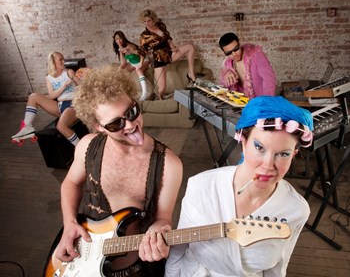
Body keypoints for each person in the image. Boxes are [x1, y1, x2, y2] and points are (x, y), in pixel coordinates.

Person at [54, 65, 183, 277]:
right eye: (116, 124)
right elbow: (71, 183)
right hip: (82, 258)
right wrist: (69, 223)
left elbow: (163, 219)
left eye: (132, 112)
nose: (131, 125)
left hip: (133, 268)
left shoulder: (170, 164)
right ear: (99, 126)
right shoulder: (87, 146)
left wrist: (158, 232)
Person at [165, 96, 313, 277]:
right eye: (259, 147)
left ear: (294, 154)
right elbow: (178, 251)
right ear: (243, 142)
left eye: (283, 154)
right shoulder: (200, 187)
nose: (268, 165)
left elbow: (278, 268)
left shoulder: (296, 210)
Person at [11, 51, 80, 146]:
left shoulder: (69, 72)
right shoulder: (49, 78)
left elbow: (83, 86)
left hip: (73, 104)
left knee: (61, 126)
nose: (63, 61)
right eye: (60, 60)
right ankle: (27, 127)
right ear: (53, 63)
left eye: (63, 59)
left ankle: (82, 149)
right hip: (61, 105)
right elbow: (52, 96)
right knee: (33, 96)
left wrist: (78, 82)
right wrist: (64, 86)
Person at [139, 9, 196, 100]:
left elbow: (168, 38)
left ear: (153, 19)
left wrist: (173, 47)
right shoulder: (144, 35)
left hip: (169, 54)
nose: (147, 23)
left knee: (190, 47)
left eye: (149, 21)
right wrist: (141, 63)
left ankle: (190, 73)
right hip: (159, 59)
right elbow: (142, 51)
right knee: (162, 89)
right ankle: (161, 99)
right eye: (145, 22)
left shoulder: (161, 26)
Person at [218, 32, 277, 99]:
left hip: (260, 102)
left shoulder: (256, 55)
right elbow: (223, 87)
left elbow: (269, 78)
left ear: (239, 44)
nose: (234, 54)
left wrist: (267, 102)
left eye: (236, 49)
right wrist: (227, 74)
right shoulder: (228, 65)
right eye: (229, 53)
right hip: (241, 105)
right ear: (224, 53)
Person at [113, 30, 151, 101]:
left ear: (123, 38)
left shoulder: (129, 46)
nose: (118, 41)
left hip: (143, 60)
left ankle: (145, 93)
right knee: (120, 70)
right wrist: (120, 51)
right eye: (116, 39)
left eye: (120, 38)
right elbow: (123, 63)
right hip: (133, 63)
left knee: (138, 70)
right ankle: (121, 92)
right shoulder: (120, 48)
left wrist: (140, 64)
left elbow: (141, 53)